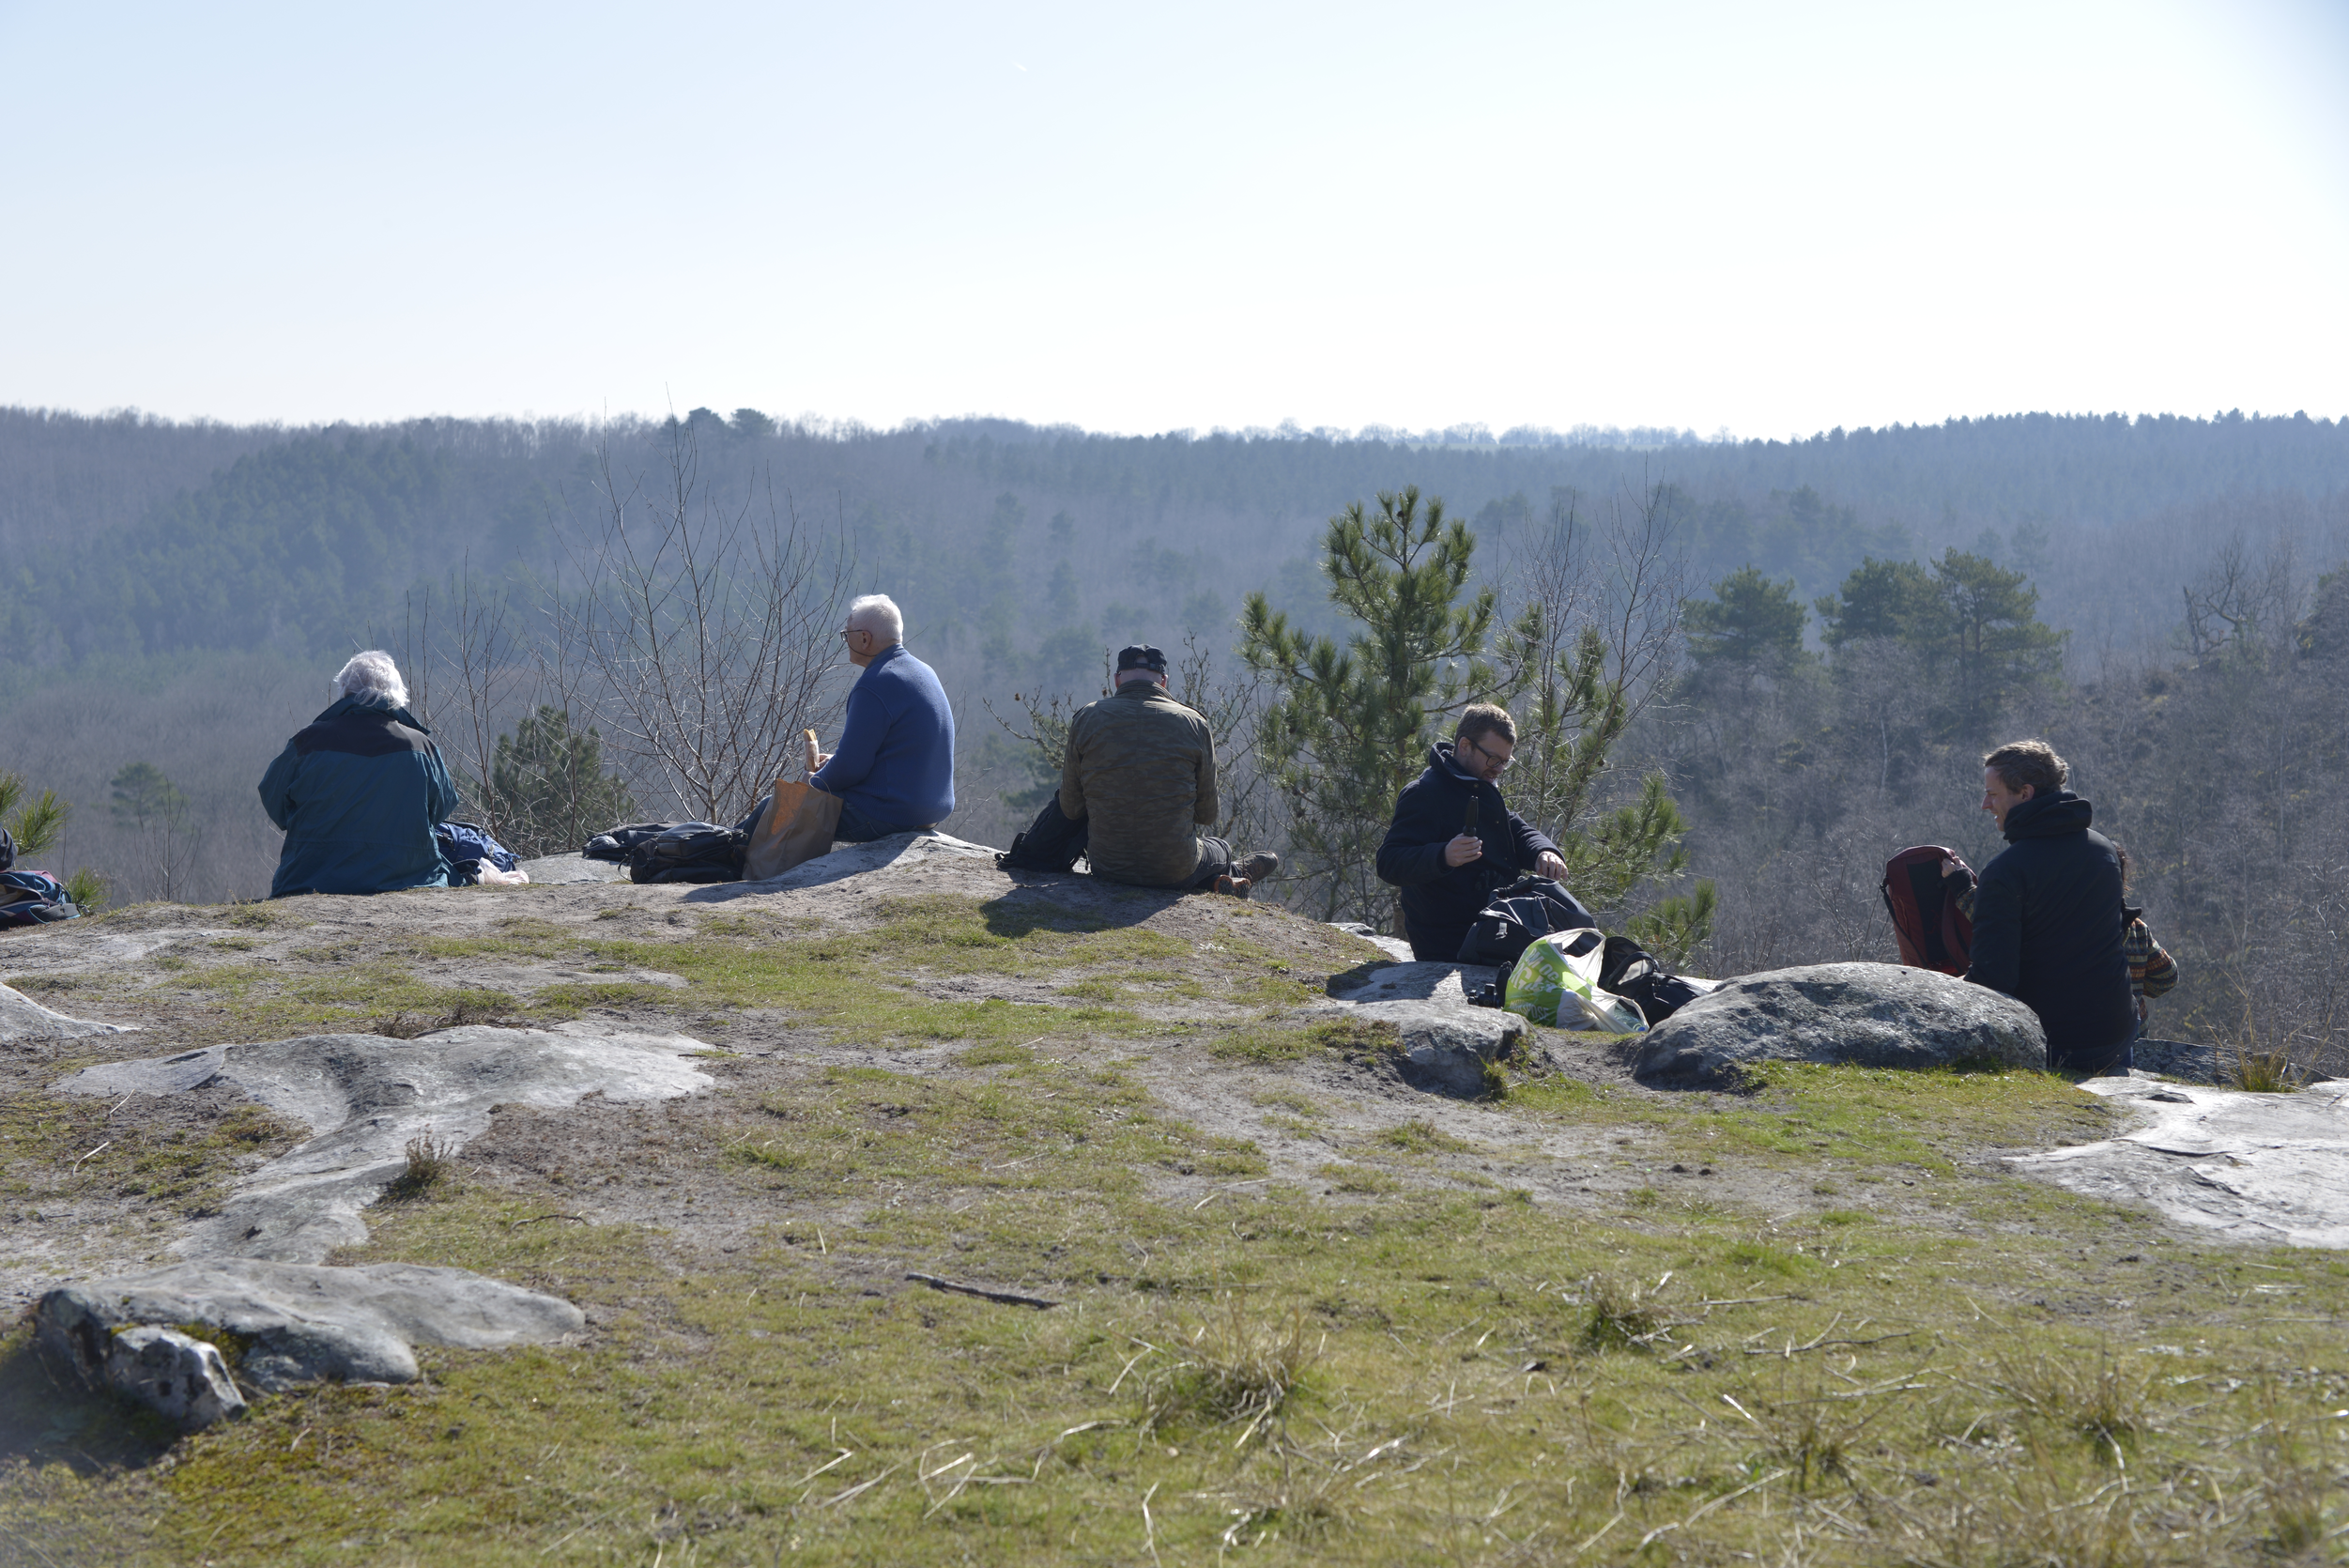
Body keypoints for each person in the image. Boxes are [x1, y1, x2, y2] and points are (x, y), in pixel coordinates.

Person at [1941, 740, 2135, 1074]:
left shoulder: (2005, 871)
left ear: (2025, 793)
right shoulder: (2103, 850)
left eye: (1993, 794)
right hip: (2116, 1033)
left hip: (2053, 1042)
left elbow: (1992, 980)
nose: (1985, 805)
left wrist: (1938, 991)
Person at [1056, 644, 1277, 895]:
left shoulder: (1086, 718)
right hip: (1174, 869)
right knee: (1220, 848)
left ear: (1117, 679)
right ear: (1164, 681)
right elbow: (1207, 815)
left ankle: (1217, 881)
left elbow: (1071, 808)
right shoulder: (1194, 723)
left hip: (1107, 866)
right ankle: (1233, 871)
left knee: (1184, 861)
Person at [1376, 704, 1589, 961]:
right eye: (1494, 760)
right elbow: (1389, 861)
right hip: (1451, 945)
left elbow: (1514, 828)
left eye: (1505, 762)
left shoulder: (1478, 785)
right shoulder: (1424, 793)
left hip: (1498, 926)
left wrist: (1542, 852)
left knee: (1576, 946)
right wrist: (1443, 856)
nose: (1499, 769)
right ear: (1465, 746)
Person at [258, 651, 458, 899]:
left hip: (308, 879)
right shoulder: (422, 747)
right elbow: (440, 809)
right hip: (410, 877)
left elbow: (273, 798)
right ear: (396, 695)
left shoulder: (307, 742)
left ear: (344, 691)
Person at [810, 594, 957, 842]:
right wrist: (834, 761)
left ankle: (735, 851)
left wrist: (813, 782)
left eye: (847, 634)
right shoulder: (923, 671)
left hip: (891, 814)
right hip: (931, 810)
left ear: (864, 638)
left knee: (779, 809)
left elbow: (850, 769)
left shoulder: (874, 684)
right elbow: (898, 752)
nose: (845, 640)